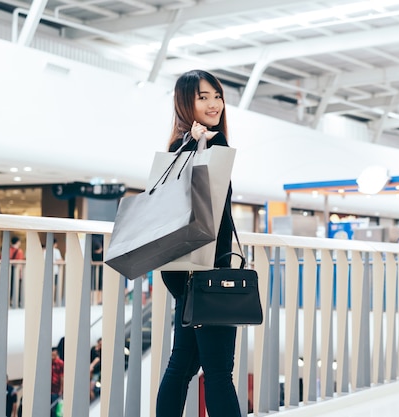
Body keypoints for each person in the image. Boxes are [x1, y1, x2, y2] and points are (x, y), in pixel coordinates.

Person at [155, 69, 240, 417]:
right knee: (218, 372)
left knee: (184, 366)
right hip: (206, 274)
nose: (213, 103)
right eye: (202, 96)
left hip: (189, 272)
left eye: (217, 96)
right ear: (185, 102)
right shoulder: (202, 145)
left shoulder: (185, 146)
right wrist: (205, 142)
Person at [9, 236, 25, 307]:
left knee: (10, 286)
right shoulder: (19, 251)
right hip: (17, 270)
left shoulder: (8, 249)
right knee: (17, 286)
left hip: (9, 270)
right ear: (18, 242)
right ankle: (17, 301)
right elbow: (20, 262)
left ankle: (10, 300)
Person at [51, 348, 64, 417]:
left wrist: (61, 390)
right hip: (49, 389)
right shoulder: (48, 362)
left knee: (55, 408)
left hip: (56, 389)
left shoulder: (60, 363)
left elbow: (62, 377)